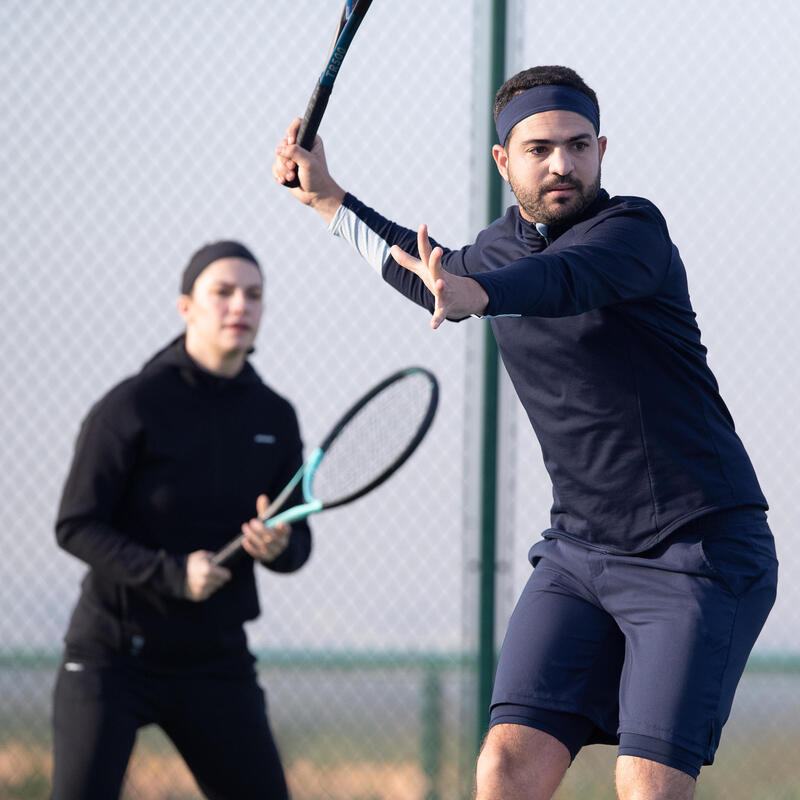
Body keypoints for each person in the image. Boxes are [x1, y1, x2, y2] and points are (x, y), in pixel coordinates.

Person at [271, 66, 778, 799]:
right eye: (539, 148)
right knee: (506, 765)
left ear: (602, 149)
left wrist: (481, 294)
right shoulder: (491, 254)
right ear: (503, 160)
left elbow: (562, 279)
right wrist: (327, 200)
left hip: (697, 551)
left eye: (578, 146)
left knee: (645, 783)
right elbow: (426, 273)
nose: (563, 164)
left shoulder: (633, 232)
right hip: (579, 553)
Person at [51, 241, 311, 800]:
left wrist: (277, 545)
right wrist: (173, 574)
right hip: (113, 656)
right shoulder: (132, 406)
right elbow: (76, 524)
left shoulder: (274, 416)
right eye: (223, 292)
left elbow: (298, 545)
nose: (240, 305)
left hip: (215, 661)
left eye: (254, 295)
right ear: (186, 307)